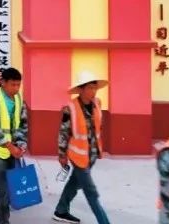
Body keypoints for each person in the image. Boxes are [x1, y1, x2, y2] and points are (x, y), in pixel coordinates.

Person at [53, 72, 112, 224]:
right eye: (90, 88)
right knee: (91, 193)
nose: (94, 91)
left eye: (95, 88)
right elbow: (63, 133)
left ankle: (61, 210)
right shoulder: (70, 108)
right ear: (81, 89)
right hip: (77, 156)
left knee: (75, 183)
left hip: (92, 155)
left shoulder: (97, 103)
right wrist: (62, 154)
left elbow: (99, 127)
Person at [0, 67, 29, 224]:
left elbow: (23, 123)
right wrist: (10, 146)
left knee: (10, 183)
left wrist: (21, 144)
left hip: (13, 148)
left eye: (18, 85)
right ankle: (3, 217)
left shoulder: (19, 99)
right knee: (2, 185)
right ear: (3, 83)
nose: (16, 89)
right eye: (13, 85)